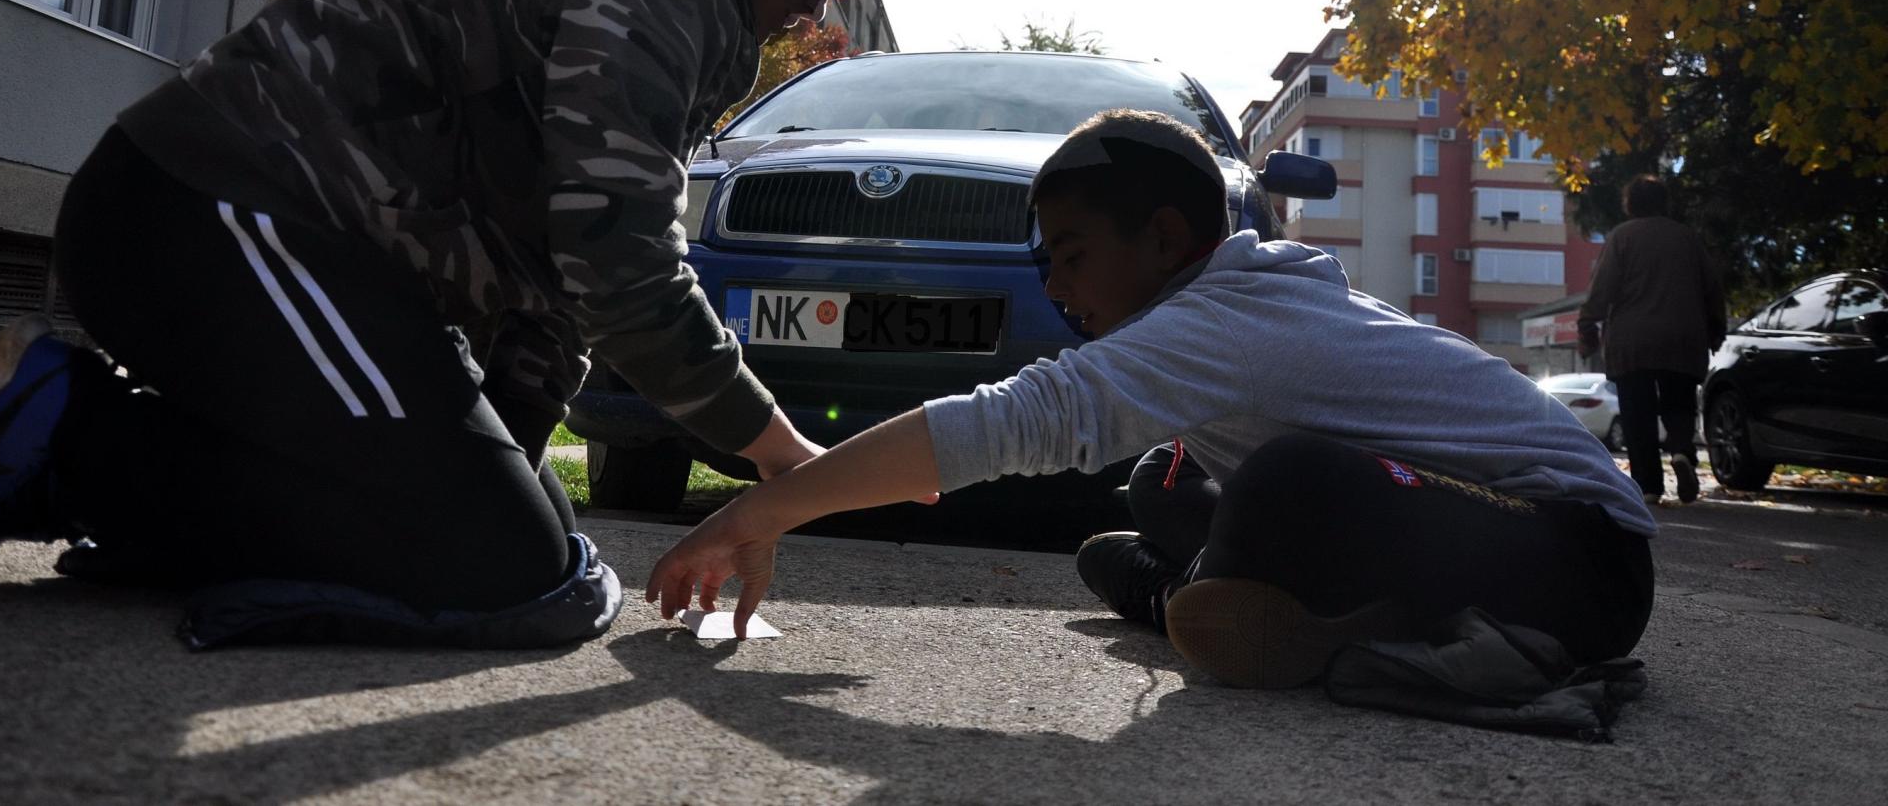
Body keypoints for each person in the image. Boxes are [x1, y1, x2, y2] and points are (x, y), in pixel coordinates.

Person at [0, 0, 883, 649]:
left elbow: (558, 295)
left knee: (511, 553)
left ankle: (83, 463)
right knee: (499, 563)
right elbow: (620, 265)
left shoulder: (675, 8)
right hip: (215, 204)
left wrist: (497, 478)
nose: (816, 9)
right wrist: (779, 454)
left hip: (262, 239)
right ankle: (63, 430)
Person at [646, 110, 1658, 689]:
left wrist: (765, 506)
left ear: (1168, 240)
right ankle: (1235, 595)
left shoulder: (1228, 317)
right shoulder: (1231, 303)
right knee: (1161, 481)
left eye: (1074, 256)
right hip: (1445, 515)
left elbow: (1018, 418)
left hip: (1578, 560)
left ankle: (1249, 609)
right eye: (1044, 264)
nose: (1056, 286)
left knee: (1287, 477)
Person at [1577, 174, 1727, 505]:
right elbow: (1712, 288)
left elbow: (1604, 286)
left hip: (1633, 340)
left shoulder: (1622, 237)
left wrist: (1588, 324)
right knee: (1679, 403)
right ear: (1664, 202)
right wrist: (1717, 328)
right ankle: (1681, 451)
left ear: (1630, 204)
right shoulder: (1687, 238)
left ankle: (1648, 486)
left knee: (1637, 412)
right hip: (1683, 337)